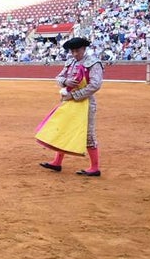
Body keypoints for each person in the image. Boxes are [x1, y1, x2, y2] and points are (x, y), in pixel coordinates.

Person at [36, 36, 104, 176]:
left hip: (85, 102)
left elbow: (95, 85)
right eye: (72, 51)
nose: (74, 54)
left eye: (77, 51)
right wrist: (66, 82)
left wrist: (74, 95)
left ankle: (95, 167)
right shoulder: (70, 62)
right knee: (63, 129)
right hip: (69, 101)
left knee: (88, 134)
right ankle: (57, 162)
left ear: (84, 49)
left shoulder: (93, 63)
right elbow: (59, 78)